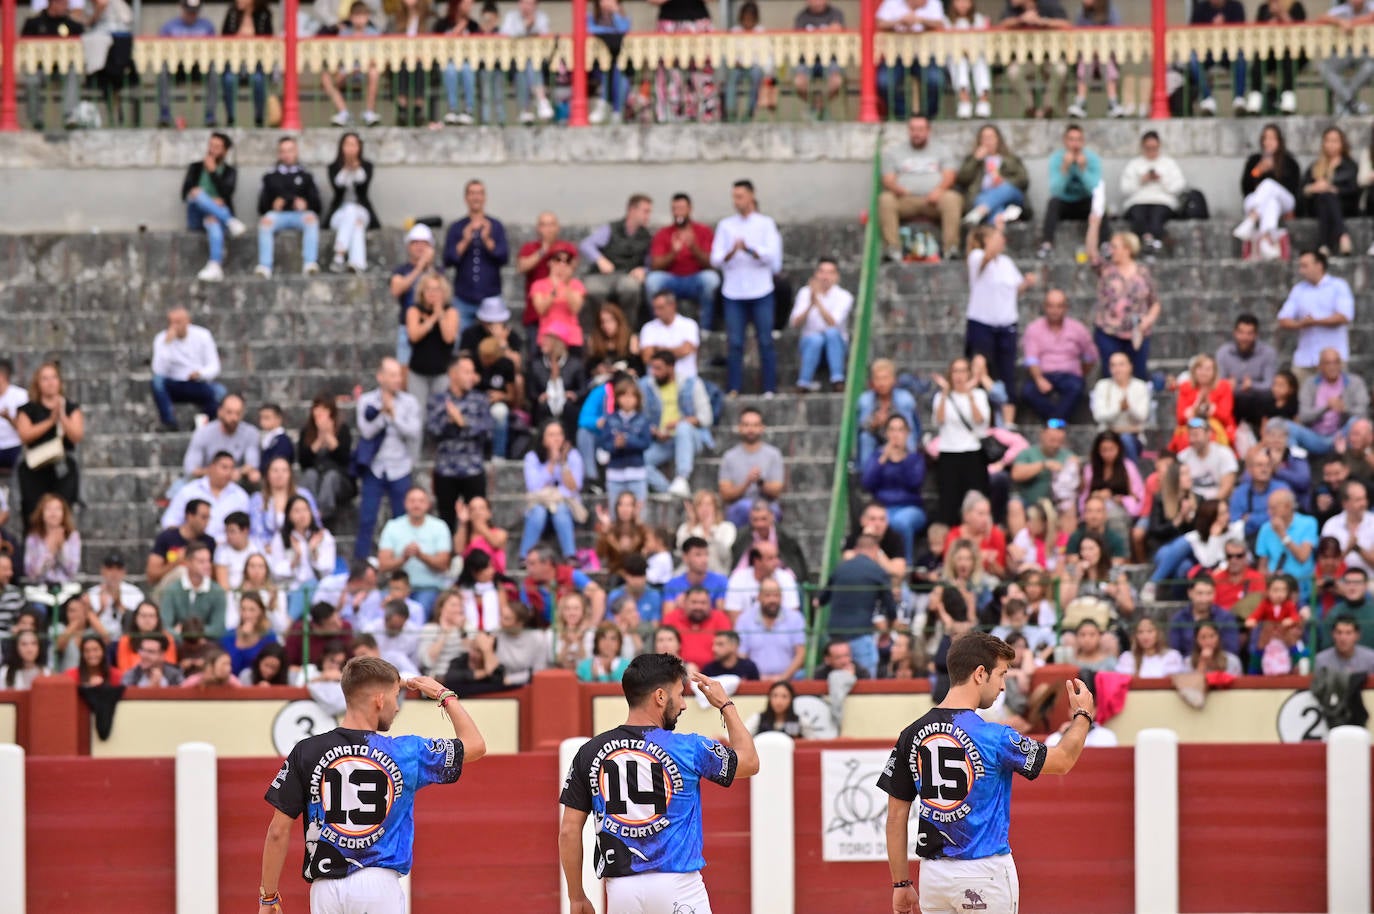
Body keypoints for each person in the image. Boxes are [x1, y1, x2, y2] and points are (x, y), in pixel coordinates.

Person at [880, 631, 1095, 914]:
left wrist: (900, 883)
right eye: (1002, 674)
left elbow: (896, 817)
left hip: (933, 877)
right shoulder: (994, 737)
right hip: (985, 872)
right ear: (980, 674)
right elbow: (1063, 759)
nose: (1003, 686)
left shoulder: (911, 734)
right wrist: (1083, 716)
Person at [258, 657, 487, 913]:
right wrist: (443, 694)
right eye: (395, 696)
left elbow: (277, 831)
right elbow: (475, 745)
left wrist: (268, 897)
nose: (397, 707)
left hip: (325, 889)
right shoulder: (405, 752)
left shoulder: (306, 751)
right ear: (379, 699)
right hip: (379, 885)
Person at [559, 656, 760, 914]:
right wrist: (725, 705)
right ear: (661, 697)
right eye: (680, 694)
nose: (685, 705)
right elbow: (750, 762)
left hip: (622, 891)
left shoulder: (589, 752)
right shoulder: (688, 748)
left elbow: (569, 832)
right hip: (679, 884)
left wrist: (577, 897)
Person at [711, 180, 783, 396]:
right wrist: (732, 251)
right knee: (734, 342)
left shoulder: (765, 224)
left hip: (761, 290)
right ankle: (734, 387)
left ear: (752, 196)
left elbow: (772, 257)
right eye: (734, 197)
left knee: (765, 341)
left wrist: (750, 249)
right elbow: (715, 259)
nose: (737, 201)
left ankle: (769, 388)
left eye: (740, 196)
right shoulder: (726, 226)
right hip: (733, 291)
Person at [355, 358, 423, 560]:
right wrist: (382, 415)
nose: (397, 379)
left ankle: (402, 564)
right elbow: (366, 432)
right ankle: (361, 565)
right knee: (367, 518)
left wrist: (394, 415)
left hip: (400, 466)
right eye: (393, 375)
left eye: (399, 375)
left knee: (402, 519)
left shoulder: (410, 402)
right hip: (375, 467)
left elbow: (414, 431)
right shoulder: (366, 401)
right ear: (380, 376)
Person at [877, 116, 962, 262]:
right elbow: (888, 178)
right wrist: (896, 188)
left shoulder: (942, 150)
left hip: (935, 199)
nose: (916, 133)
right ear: (908, 131)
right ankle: (893, 249)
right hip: (905, 199)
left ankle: (951, 249)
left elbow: (950, 175)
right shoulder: (893, 152)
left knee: (952, 198)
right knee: (885, 199)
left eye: (920, 129)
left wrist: (939, 190)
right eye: (913, 129)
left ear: (928, 131)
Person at [427, 355, 494, 531]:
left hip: (473, 468)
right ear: (452, 374)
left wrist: (462, 422)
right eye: (467, 372)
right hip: (445, 470)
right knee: (446, 521)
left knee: (478, 521)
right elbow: (432, 431)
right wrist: (449, 423)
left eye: (473, 372)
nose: (472, 376)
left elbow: (487, 431)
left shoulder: (480, 400)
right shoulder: (438, 400)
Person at [14, 361, 84, 526]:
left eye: (53, 378)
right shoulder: (28, 409)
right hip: (35, 468)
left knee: (63, 511)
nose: (50, 382)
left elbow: (76, 436)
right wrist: (50, 422)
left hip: (61, 468)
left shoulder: (70, 408)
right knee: (33, 513)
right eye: (44, 378)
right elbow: (24, 435)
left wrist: (62, 417)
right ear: (38, 384)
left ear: (59, 382)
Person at [639, 350, 713, 499]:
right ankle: (668, 490)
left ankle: (682, 477)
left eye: (658, 368)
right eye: (652, 368)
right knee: (639, 462)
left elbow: (706, 417)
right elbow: (640, 418)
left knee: (683, 428)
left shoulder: (692, 384)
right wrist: (653, 431)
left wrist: (680, 423)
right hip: (663, 441)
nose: (654, 372)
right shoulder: (646, 386)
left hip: (691, 438)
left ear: (671, 367)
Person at [821, 534, 896, 674]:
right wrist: (888, 628)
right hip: (861, 634)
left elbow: (822, 598)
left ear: (855, 549)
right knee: (866, 682)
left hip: (834, 637)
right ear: (876, 550)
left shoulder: (840, 568)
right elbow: (890, 606)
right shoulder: (877, 571)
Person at [1020, 287, 1097, 422]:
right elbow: (1031, 359)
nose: (1055, 310)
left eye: (1059, 306)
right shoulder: (1034, 328)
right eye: (1050, 306)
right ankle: (1057, 422)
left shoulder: (1077, 329)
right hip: (1043, 374)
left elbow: (1090, 356)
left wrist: (1081, 372)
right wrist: (1039, 379)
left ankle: (1052, 423)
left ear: (1066, 307)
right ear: (1045, 307)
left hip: (1069, 375)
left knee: (1076, 387)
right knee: (1028, 391)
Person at [1278, 251, 1354, 386]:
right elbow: (1283, 319)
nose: (1301, 271)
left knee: (1336, 402)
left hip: (1333, 358)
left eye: (1305, 266)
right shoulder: (1298, 290)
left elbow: (1344, 316)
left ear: (1319, 265)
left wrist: (1315, 321)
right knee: (1304, 402)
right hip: (1305, 358)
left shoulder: (1338, 286)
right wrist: (1301, 324)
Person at [1091, 232, 1159, 382]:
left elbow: (1154, 302)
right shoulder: (1107, 270)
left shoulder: (1143, 272)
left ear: (1127, 249)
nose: (1111, 250)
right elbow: (1092, 255)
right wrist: (1094, 226)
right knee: (1110, 375)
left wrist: (1148, 320)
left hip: (1137, 332)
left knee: (1139, 375)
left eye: (1115, 247)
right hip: (1109, 331)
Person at [645, 193, 720, 328]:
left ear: (690, 209)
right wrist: (673, 252)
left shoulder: (703, 231)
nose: (678, 212)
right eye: (675, 209)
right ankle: (656, 327)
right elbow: (655, 265)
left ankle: (705, 330)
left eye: (681, 208)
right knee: (653, 280)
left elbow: (712, 264)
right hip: (672, 280)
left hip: (695, 279)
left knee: (711, 279)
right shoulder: (664, 233)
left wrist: (694, 248)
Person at [443, 179, 509, 329]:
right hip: (463, 298)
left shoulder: (496, 226)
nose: (476, 197)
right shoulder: (457, 227)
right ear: (466, 198)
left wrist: (487, 239)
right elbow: (448, 259)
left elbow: (503, 257)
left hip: (491, 297)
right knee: (462, 345)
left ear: (485, 197)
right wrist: (465, 240)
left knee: (493, 345)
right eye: (472, 193)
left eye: (479, 193)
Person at [861, 415, 928, 564]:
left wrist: (901, 460)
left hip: (910, 508)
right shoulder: (877, 456)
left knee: (901, 522)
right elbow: (867, 483)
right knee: (872, 522)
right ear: (886, 433)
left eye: (900, 430)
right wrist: (883, 459)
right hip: (883, 508)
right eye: (892, 430)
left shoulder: (915, 458)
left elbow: (915, 482)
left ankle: (904, 570)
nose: (896, 435)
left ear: (907, 433)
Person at [932, 357, 990, 527]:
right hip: (949, 452)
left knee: (975, 498)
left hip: (972, 452)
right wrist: (945, 393)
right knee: (949, 500)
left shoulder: (979, 395)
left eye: (963, 371)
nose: (959, 375)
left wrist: (970, 395)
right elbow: (939, 420)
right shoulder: (941, 397)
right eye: (956, 371)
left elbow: (980, 421)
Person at [180, 133, 245, 284]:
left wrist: (213, 172)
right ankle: (230, 221)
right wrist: (208, 199)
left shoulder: (230, 172)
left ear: (225, 151)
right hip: (196, 214)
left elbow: (227, 194)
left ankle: (215, 265)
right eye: (211, 145)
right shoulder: (195, 167)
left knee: (213, 221)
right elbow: (185, 193)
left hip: (214, 216)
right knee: (197, 193)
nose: (212, 150)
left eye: (217, 147)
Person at [254, 136, 322, 279]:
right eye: (283, 151)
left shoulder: (306, 175)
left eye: (290, 150)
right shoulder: (270, 176)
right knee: (265, 221)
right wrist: (272, 204)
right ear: (279, 154)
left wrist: (305, 204)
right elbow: (261, 206)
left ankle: (310, 263)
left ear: (296, 151)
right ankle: (265, 266)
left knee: (312, 219)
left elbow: (318, 205)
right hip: (278, 216)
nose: (287, 154)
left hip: (300, 215)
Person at [1234, 123, 1302, 262]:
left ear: (1279, 141)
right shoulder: (1254, 161)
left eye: (1272, 138)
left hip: (1286, 200)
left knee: (1269, 185)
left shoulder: (1289, 162)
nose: (1268, 142)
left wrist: (1273, 172)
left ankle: (1251, 219)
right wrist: (1257, 171)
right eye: (1265, 138)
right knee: (1271, 202)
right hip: (1261, 203)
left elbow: (1292, 186)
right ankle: (1265, 240)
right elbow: (1245, 188)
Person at [519, 421, 586, 561]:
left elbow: (574, 488)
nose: (556, 438)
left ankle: (570, 555)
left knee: (560, 510)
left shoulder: (573, 455)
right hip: (540, 504)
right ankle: (525, 556)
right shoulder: (532, 457)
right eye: (551, 435)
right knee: (538, 511)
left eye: (559, 434)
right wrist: (552, 463)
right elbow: (534, 487)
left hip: (566, 508)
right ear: (542, 438)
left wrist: (563, 463)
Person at [1038, 124, 1105, 261]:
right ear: (1065, 141)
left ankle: (1105, 244)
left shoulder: (1091, 159)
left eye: (1078, 139)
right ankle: (1047, 244)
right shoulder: (1057, 159)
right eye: (1071, 139)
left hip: (1085, 202)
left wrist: (1082, 170)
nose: (1075, 144)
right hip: (1065, 203)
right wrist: (1065, 168)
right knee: (1053, 203)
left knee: (1100, 205)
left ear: (1083, 141)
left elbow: (1095, 188)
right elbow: (1055, 190)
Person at [580, 193, 653, 315]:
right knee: (592, 289)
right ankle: (594, 331)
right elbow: (586, 245)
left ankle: (627, 329)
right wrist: (600, 260)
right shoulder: (611, 229)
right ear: (632, 210)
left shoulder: (647, 237)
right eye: (645, 211)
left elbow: (651, 263)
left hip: (627, 276)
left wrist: (643, 270)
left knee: (630, 288)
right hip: (603, 276)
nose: (648, 216)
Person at [874, 0, 947, 121]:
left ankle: (927, 116)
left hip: (926, 54)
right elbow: (880, 22)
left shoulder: (933, 3)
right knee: (884, 83)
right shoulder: (892, 2)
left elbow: (940, 23)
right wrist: (900, 21)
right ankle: (904, 114)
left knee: (937, 81)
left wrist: (920, 20)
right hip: (897, 54)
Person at [789, 258, 854, 393]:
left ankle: (838, 379)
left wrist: (817, 302)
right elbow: (794, 323)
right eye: (822, 272)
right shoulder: (804, 293)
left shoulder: (844, 296)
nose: (825, 277)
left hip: (836, 346)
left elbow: (833, 323)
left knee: (831, 334)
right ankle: (804, 383)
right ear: (815, 274)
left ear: (837, 276)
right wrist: (810, 304)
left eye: (830, 273)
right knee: (816, 339)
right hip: (811, 346)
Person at [1000, 0, 1072, 118]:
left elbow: (1066, 24)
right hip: (1026, 59)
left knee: (1060, 69)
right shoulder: (1012, 8)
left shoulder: (1049, 4)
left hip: (1050, 57)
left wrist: (1043, 21)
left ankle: (1048, 106)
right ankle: (1029, 106)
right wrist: (1021, 20)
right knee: (1013, 72)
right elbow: (1003, 24)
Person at [21, 0, 85, 131]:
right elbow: (23, 46)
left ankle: (70, 116)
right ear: (53, 3)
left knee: (73, 72)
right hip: (40, 69)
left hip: (63, 70)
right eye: (63, 3)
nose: (66, 7)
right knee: (31, 78)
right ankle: (36, 120)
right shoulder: (34, 23)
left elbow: (82, 42)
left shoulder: (73, 25)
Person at [1120, 131, 1186, 252]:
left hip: (1162, 201)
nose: (1151, 151)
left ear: (1159, 146)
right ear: (1142, 147)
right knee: (1138, 216)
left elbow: (1179, 186)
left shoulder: (1168, 163)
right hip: (1138, 201)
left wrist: (1161, 179)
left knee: (1157, 216)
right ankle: (1148, 239)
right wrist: (1141, 180)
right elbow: (1125, 189)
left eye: (1154, 148)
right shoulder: (1134, 164)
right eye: (1148, 148)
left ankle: (1155, 240)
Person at [325, 131, 379, 274]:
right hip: (339, 214)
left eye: (354, 144)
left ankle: (339, 255)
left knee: (354, 212)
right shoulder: (333, 167)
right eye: (347, 144)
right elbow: (337, 186)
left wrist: (356, 168)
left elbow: (363, 184)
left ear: (359, 147)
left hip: (362, 211)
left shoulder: (366, 167)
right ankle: (358, 263)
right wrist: (346, 169)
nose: (350, 148)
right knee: (355, 221)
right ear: (341, 147)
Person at [321, 2, 383, 127]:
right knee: (326, 77)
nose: (359, 20)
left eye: (362, 16)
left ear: (367, 17)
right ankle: (343, 112)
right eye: (356, 16)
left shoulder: (374, 33)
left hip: (365, 71)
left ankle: (369, 112)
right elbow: (338, 57)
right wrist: (345, 70)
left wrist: (359, 68)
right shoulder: (344, 34)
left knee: (374, 73)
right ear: (351, 17)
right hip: (347, 71)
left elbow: (377, 58)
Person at [298, 394, 355, 527]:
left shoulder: (342, 430)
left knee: (331, 477)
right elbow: (303, 462)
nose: (319, 413)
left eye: (324, 409)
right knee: (310, 475)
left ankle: (323, 513)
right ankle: (309, 509)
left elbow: (344, 459)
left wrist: (329, 437)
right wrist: (318, 440)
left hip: (338, 480)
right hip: (315, 478)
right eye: (317, 408)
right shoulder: (306, 432)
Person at [1302, 125, 1360, 257]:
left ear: (1342, 143)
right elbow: (1303, 189)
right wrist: (1313, 188)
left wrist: (1333, 189)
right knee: (1325, 197)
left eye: (1335, 141)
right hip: (1318, 205)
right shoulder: (1315, 166)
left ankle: (1324, 245)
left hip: (1344, 205)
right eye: (1328, 140)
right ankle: (1343, 236)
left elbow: (1354, 189)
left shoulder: (1349, 166)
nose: (1331, 145)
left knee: (1328, 196)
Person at [956, 125, 1028, 230]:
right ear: (979, 141)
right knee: (997, 212)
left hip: (1011, 197)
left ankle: (978, 213)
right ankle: (996, 241)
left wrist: (1003, 180)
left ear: (998, 139)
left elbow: (1023, 180)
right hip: (982, 197)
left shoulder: (1010, 158)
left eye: (991, 137)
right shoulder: (972, 159)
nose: (987, 141)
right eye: (984, 138)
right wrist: (975, 160)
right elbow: (962, 180)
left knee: (1006, 187)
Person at [1187, 0, 1248, 116]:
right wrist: (1211, 28)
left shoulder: (1236, 7)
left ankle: (1239, 99)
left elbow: (1241, 32)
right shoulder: (1200, 9)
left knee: (1240, 56)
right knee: (1193, 59)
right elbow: (1192, 33)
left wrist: (1224, 28)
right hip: (1207, 53)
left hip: (1229, 52)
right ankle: (1207, 99)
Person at [858, 359, 919, 468]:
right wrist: (874, 424)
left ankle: (910, 467)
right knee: (865, 437)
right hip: (877, 439)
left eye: (885, 378)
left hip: (898, 436)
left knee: (907, 436)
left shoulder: (905, 399)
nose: (881, 383)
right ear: (872, 382)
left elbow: (910, 428)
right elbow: (861, 427)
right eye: (878, 379)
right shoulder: (866, 400)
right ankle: (866, 474)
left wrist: (890, 422)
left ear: (893, 380)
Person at [1317, 0, 1374, 115]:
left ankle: (1345, 101)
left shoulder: (1371, 5)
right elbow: (1321, 17)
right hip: (1345, 52)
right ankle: (1350, 102)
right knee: (1324, 67)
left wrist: (1351, 23)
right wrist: (1339, 21)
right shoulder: (1343, 9)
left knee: (1370, 66)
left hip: (1365, 53)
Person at [1167, 576, 1242, 656]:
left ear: (1214, 594)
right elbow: (1174, 652)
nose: (1204, 599)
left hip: (1221, 664)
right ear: (1190, 593)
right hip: (1188, 665)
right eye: (1200, 593)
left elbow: (1232, 649)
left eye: (1209, 593)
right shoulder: (1179, 619)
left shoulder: (1226, 618)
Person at [639, 290, 701, 382]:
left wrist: (657, 350)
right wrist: (676, 350)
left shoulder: (689, 325)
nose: (656, 313)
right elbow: (646, 357)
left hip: (686, 381)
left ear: (672, 305)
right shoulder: (648, 327)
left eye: (660, 308)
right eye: (655, 308)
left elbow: (686, 350)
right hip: (656, 382)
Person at [24, 493, 80, 585]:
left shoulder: (72, 536)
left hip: (66, 586)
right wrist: (49, 551)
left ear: (63, 513)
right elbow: (32, 574)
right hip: (40, 587)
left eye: (57, 509)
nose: (53, 513)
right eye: (49, 509)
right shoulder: (33, 538)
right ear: (41, 513)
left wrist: (62, 548)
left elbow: (72, 571)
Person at [1115, 616, 1187, 677]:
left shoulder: (1172, 656)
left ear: (1158, 633)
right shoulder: (1127, 658)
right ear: (1135, 636)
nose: (1145, 636)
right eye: (1140, 632)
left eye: (1150, 631)